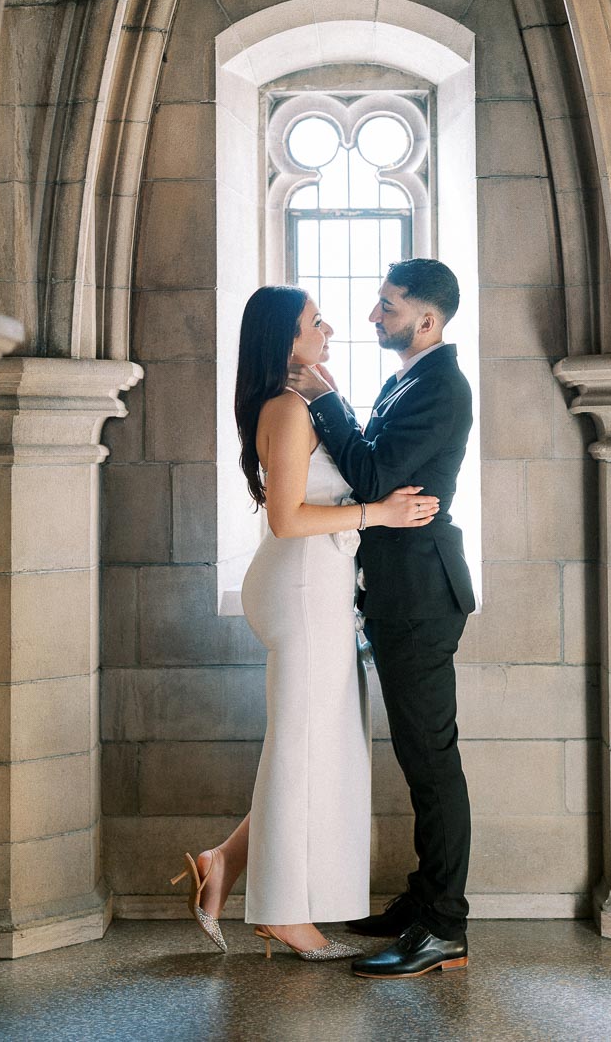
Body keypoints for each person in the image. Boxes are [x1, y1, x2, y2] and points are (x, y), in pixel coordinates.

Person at [171, 285, 439, 960]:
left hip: (316, 588)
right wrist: (378, 515)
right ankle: (284, 913)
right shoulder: (288, 411)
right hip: (299, 587)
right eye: (313, 322)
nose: (328, 328)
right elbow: (287, 518)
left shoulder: (302, 401)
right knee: (300, 751)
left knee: (315, 749)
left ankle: (223, 862)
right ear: (283, 342)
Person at [288, 258, 474, 980]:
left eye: (387, 306)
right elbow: (375, 467)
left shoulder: (440, 387)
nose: (372, 317)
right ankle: (422, 901)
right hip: (400, 590)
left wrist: (327, 399)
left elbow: (370, 477)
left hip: (423, 594)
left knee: (431, 764)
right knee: (419, 757)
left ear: (425, 320)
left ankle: (444, 928)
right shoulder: (409, 378)